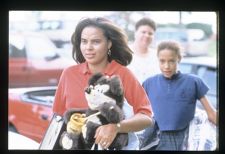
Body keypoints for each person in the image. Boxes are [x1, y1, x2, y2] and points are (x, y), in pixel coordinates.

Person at [52, 17, 154, 150]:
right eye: (84, 41)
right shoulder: (68, 74)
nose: (88, 47)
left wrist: (116, 127)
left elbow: (146, 117)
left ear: (109, 44)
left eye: (96, 41)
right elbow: (57, 118)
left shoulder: (123, 74)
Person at [141, 41, 217, 150]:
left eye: (171, 61)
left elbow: (212, 114)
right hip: (156, 140)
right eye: (162, 61)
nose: (166, 66)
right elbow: (139, 113)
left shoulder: (194, 82)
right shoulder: (149, 83)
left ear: (179, 59)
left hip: (185, 139)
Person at [127, 17, 161, 84]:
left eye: (150, 33)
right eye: (143, 32)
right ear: (135, 33)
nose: (147, 35)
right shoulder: (123, 53)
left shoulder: (157, 56)